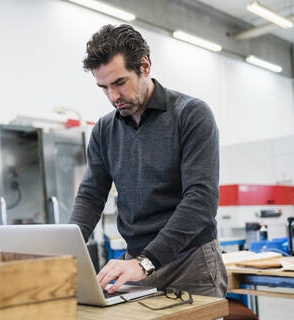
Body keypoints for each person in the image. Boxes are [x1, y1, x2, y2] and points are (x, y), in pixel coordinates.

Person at [69, 24, 227, 298]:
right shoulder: (104, 131)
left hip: (190, 263)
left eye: (119, 82)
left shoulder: (191, 114)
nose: (113, 97)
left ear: (144, 66)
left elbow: (201, 200)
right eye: (103, 87)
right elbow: (91, 197)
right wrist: (66, 249)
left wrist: (145, 262)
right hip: (135, 264)